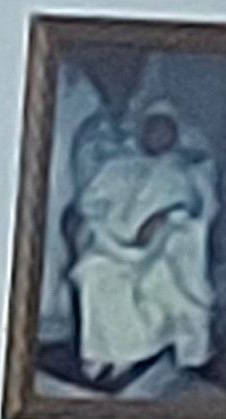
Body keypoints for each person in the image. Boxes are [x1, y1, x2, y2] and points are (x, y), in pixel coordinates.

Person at [72, 98, 219, 390]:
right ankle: (106, 353)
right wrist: (89, 227)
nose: (158, 136)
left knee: (165, 273)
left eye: (166, 130)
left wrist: (165, 218)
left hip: (165, 245)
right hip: (116, 245)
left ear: (175, 135)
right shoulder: (119, 166)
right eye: (153, 129)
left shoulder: (185, 170)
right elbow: (92, 204)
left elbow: (196, 210)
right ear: (142, 132)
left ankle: (143, 353)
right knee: (95, 270)